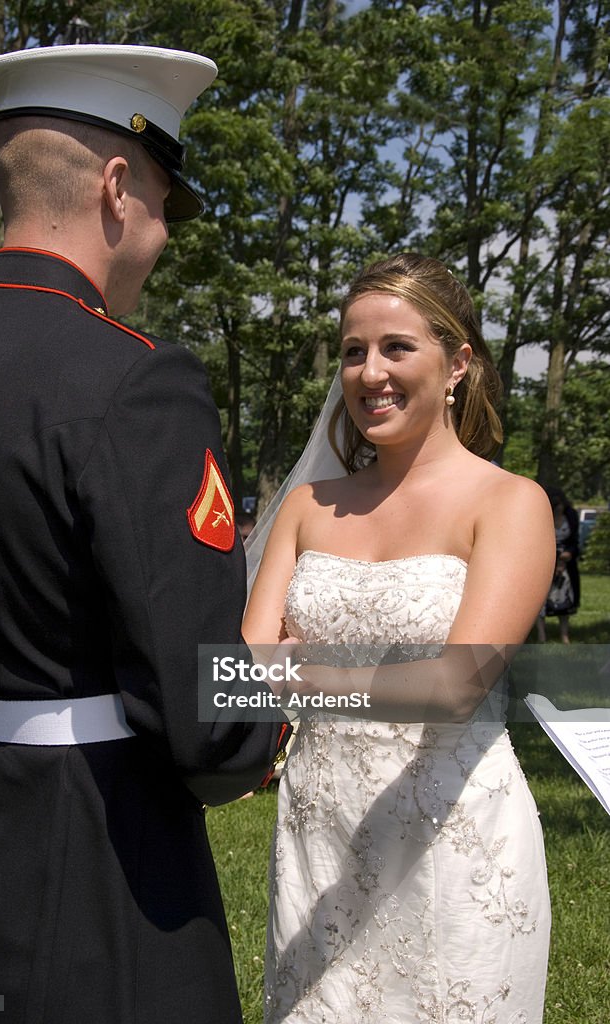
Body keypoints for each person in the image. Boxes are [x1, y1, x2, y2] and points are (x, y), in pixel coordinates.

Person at [0, 44, 289, 1024]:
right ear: (119, 190)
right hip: (89, 865)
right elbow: (208, 720)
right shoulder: (138, 381)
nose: (162, 234)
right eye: (166, 205)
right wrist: (266, 715)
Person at [243, 253, 555, 1023]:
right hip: (319, 843)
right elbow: (238, 672)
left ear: (458, 363)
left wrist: (301, 668)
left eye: (396, 347)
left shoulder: (510, 504)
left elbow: (456, 684)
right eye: (353, 351)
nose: (369, 371)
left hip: (456, 851)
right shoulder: (307, 507)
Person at [537, 486, 580, 643]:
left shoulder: (571, 516)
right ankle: (542, 635)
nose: (557, 510)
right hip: (546, 562)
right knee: (541, 599)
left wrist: (568, 554)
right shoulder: (541, 517)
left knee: (565, 598)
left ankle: (564, 635)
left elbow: (574, 540)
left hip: (566, 565)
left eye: (559, 506)